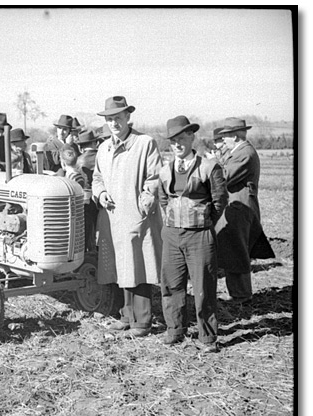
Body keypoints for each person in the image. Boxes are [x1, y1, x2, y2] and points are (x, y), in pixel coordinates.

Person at [92, 96, 163, 337]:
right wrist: (100, 194)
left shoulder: (144, 143)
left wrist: (144, 202)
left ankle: (142, 322)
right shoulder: (103, 148)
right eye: (110, 119)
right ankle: (125, 316)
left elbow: (154, 178)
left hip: (135, 215)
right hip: (112, 218)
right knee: (120, 267)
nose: (114, 123)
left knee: (139, 264)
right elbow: (97, 178)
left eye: (118, 118)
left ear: (128, 117)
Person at [158, 116, 228, 353]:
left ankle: (207, 337)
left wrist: (203, 221)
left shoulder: (209, 167)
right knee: (171, 284)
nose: (177, 144)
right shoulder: (165, 170)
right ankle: (175, 330)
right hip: (171, 234)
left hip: (200, 235)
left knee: (203, 287)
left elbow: (220, 200)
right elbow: (163, 200)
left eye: (181, 138)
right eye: (173, 140)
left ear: (192, 137)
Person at [215, 117, 274, 303]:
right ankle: (238, 292)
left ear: (236, 136)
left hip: (240, 208)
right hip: (237, 206)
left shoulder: (243, 153)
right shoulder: (240, 151)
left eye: (226, 136)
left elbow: (224, 177)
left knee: (237, 250)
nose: (223, 140)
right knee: (234, 249)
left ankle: (241, 294)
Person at [76, 129, 100, 252]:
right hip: (101, 197)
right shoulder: (102, 156)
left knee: (86, 229)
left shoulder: (80, 160)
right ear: (94, 143)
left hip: (85, 199)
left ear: (81, 147)